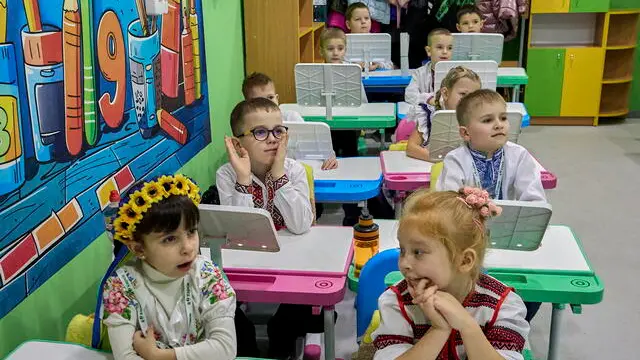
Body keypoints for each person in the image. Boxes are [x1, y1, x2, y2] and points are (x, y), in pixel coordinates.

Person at [217, 98, 329, 359]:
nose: (272, 139)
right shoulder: (227, 174)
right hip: (247, 261)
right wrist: (244, 179)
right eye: (260, 132)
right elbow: (240, 233)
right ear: (237, 143)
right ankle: (249, 350)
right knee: (225, 312)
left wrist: (279, 176)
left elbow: (301, 225)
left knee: (291, 316)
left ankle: (282, 347)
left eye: (278, 130)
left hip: (295, 261)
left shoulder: (295, 170)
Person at [372, 187, 529, 359]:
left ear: (465, 261)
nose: (404, 263)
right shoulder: (397, 302)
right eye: (402, 250)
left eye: (418, 252)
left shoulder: (502, 306)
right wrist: (439, 329)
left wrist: (468, 326)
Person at [102, 175, 237, 360]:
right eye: (170, 239)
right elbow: (125, 356)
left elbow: (225, 348)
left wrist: (157, 356)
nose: (188, 248)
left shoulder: (206, 274)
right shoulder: (122, 286)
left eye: (191, 232)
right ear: (139, 248)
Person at [436, 89, 547, 202]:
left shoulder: (519, 155)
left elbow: (535, 202)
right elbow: (448, 207)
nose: (499, 125)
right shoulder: (455, 160)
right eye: (487, 120)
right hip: (465, 219)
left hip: (509, 219)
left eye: (503, 118)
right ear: (466, 133)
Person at [241, 72, 338, 170]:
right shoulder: (248, 127)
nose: (268, 103)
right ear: (248, 105)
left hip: (294, 170)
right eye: (260, 100)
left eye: (270, 97)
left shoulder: (291, 117)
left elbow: (316, 145)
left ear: (277, 98)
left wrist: (329, 157)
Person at [405, 66, 481, 161]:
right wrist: (446, 161)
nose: (468, 101)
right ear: (445, 94)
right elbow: (411, 148)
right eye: (463, 94)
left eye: (473, 96)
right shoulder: (429, 114)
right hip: (431, 168)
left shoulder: (477, 116)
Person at [405, 28, 452, 104]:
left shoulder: (457, 73)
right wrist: (428, 99)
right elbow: (409, 95)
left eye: (449, 48)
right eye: (440, 47)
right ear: (429, 51)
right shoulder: (419, 73)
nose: (445, 52)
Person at [346, 2, 394, 71]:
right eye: (358, 19)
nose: (363, 22)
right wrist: (355, 66)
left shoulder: (379, 41)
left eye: (366, 18)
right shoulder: (343, 41)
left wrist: (377, 64)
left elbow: (390, 66)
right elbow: (339, 63)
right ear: (348, 24)